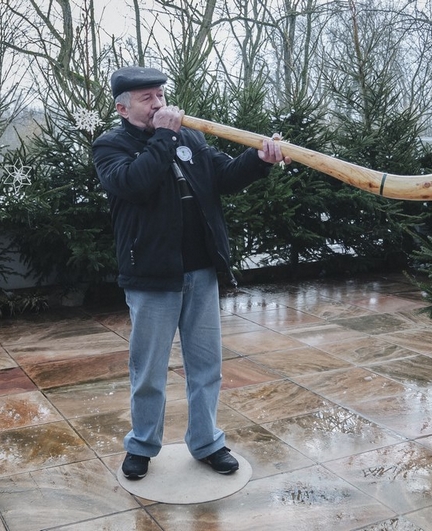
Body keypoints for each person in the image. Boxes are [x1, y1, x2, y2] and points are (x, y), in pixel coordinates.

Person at [92, 66, 290, 480]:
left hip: (200, 270)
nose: (159, 103)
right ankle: (142, 445)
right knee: (149, 371)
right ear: (123, 109)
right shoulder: (111, 146)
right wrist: (164, 137)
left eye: (161, 95)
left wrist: (258, 159)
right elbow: (134, 184)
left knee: (206, 366)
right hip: (152, 276)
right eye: (147, 98)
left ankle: (207, 442)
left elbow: (223, 177)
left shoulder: (191, 138)